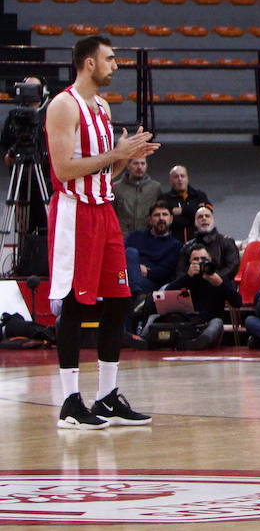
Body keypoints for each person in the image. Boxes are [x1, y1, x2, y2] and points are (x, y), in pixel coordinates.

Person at [45, 35, 160, 429]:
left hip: (104, 209)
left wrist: (126, 161)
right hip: (75, 214)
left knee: (118, 300)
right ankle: (70, 402)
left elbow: (101, 171)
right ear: (88, 63)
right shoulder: (63, 105)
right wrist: (116, 154)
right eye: (110, 59)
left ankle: (107, 396)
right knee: (77, 305)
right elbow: (63, 170)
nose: (116, 65)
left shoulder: (104, 106)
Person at [163, 241, 242, 337]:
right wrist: (187, 277)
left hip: (209, 323)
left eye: (203, 259)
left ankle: (200, 340)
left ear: (210, 260)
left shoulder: (219, 277)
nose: (200, 262)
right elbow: (166, 294)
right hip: (187, 322)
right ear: (190, 262)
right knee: (156, 318)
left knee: (217, 323)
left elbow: (237, 302)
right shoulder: (186, 277)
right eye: (196, 259)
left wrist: (221, 284)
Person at [175, 204, 240, 284]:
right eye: (200, 217)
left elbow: (232, 268)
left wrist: (212, 278)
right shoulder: (187, 247)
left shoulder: (227, 242)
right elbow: (179, 273)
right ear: (195, 222)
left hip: (221, 286)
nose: (204, 218)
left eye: (207, 216)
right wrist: (188, 276)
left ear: (213, 221)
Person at [124, 201, 180, 293]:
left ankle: (137, 294)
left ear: (171, 219)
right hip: (128, 277)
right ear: (150, 219)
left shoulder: (175, 245)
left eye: (165, 214)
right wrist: (135, 268)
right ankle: (137, 294)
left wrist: (148, 272)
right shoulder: (135, 236)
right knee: (130, 252)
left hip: (153, 284)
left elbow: (166, 272)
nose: (161, 218)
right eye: (157, 215)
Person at [156, 164, 210, 244]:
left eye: (182, 176)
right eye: (176, 177)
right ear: (171, 180)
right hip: (173, 245)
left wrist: (183, 211)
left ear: (187, 178)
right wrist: (193, 216)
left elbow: (207, 215)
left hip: (198, 244)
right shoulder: (164, 198)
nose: (180, 179)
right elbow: (167, 221)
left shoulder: (199, 195)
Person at [112, 156, 160, 237]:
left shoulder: (155, 188)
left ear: (146, 165)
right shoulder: (116, 188)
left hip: (148, 235)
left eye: (142, 163)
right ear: (128, 165)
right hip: (123, 235)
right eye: (136, 163)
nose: (139, 167)